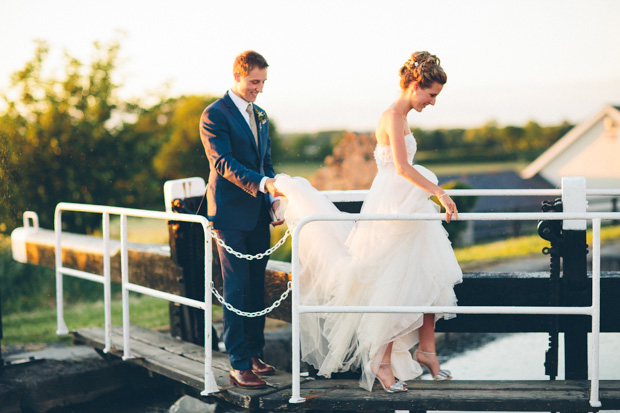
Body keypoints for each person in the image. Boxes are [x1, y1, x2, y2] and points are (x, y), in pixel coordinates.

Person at [273, 51, 463, 392]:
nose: (433, 103)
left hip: (408, 203)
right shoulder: (391, 115)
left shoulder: (403, 117)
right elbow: (402, 169)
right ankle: (382, 361)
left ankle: (427, 350)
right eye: (431, 94)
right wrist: (441, 193)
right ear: (416, 86)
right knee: (392, 283)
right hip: (393, 205)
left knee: (430, 274)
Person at [199, 50, 284, 390]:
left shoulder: (260, 115)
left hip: (258, 214)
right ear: (238, 76)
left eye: (263, 83)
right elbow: (222, 162)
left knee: (256, 286)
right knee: (236, 288)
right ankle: (237, 363)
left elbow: (266, 161)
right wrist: (263, 184)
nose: (258, 89)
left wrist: (274, 198)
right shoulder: (214, 115)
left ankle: (253, 355)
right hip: (229, 216)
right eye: (253, 82)